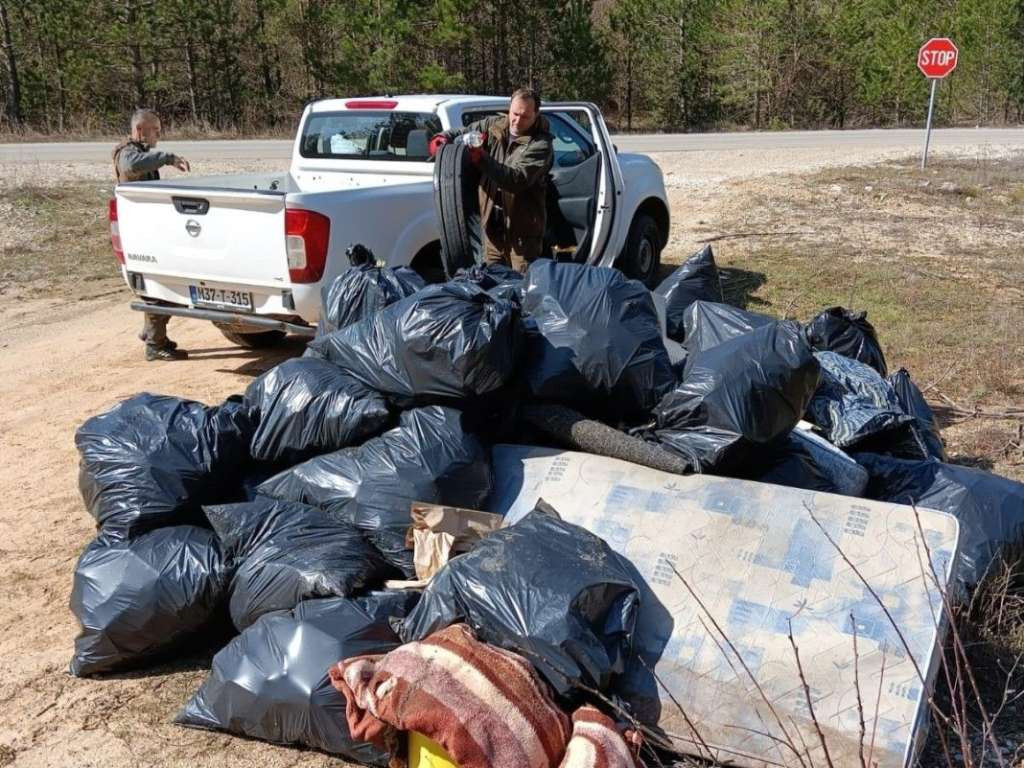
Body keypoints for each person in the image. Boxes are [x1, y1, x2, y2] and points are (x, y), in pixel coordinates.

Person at [430, 87, 554, 274]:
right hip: (492, 233)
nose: (517, 121)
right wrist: (441, 139)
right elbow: (463, 132)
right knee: (491, 287)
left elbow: (516, 179)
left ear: (536, 114)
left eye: (525, 116)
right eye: (514, 113)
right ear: (509, 108)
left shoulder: (541, 145)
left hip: (522, 238)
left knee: (521, 290)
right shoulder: (494, 126)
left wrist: (481, 158)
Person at [112, 108, 191, 361]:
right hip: (140, 233)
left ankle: (153, 333)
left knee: (160, 285)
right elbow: (132, 166)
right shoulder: (128, 153)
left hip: (148, 229)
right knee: (159, 286)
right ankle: (155, 343)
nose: (158, 134)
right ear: (140, 130)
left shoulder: (140, 152)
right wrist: (167, 157)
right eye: (154, 130)